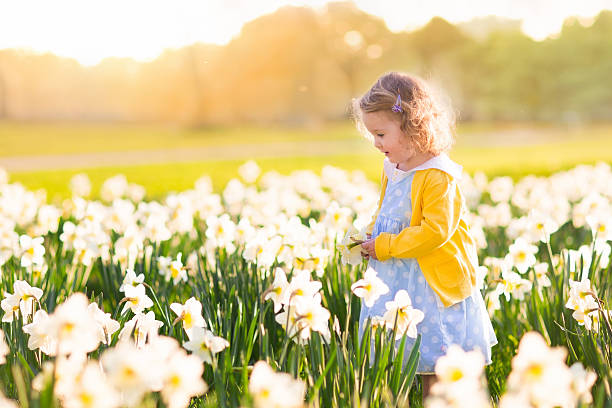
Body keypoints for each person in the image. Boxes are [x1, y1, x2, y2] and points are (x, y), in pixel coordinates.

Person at [353, 72, 497, 401]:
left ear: (413, 127)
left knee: (438, 367)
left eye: (380, 134)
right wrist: (373, 235)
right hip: (397, 278)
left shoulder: (438, 175)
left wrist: (385, 245)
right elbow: (388, 211)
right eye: (372, 135)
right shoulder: (394, 167)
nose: (376, 143)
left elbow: (435, 232)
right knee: (402, 363)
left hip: (432, 288)